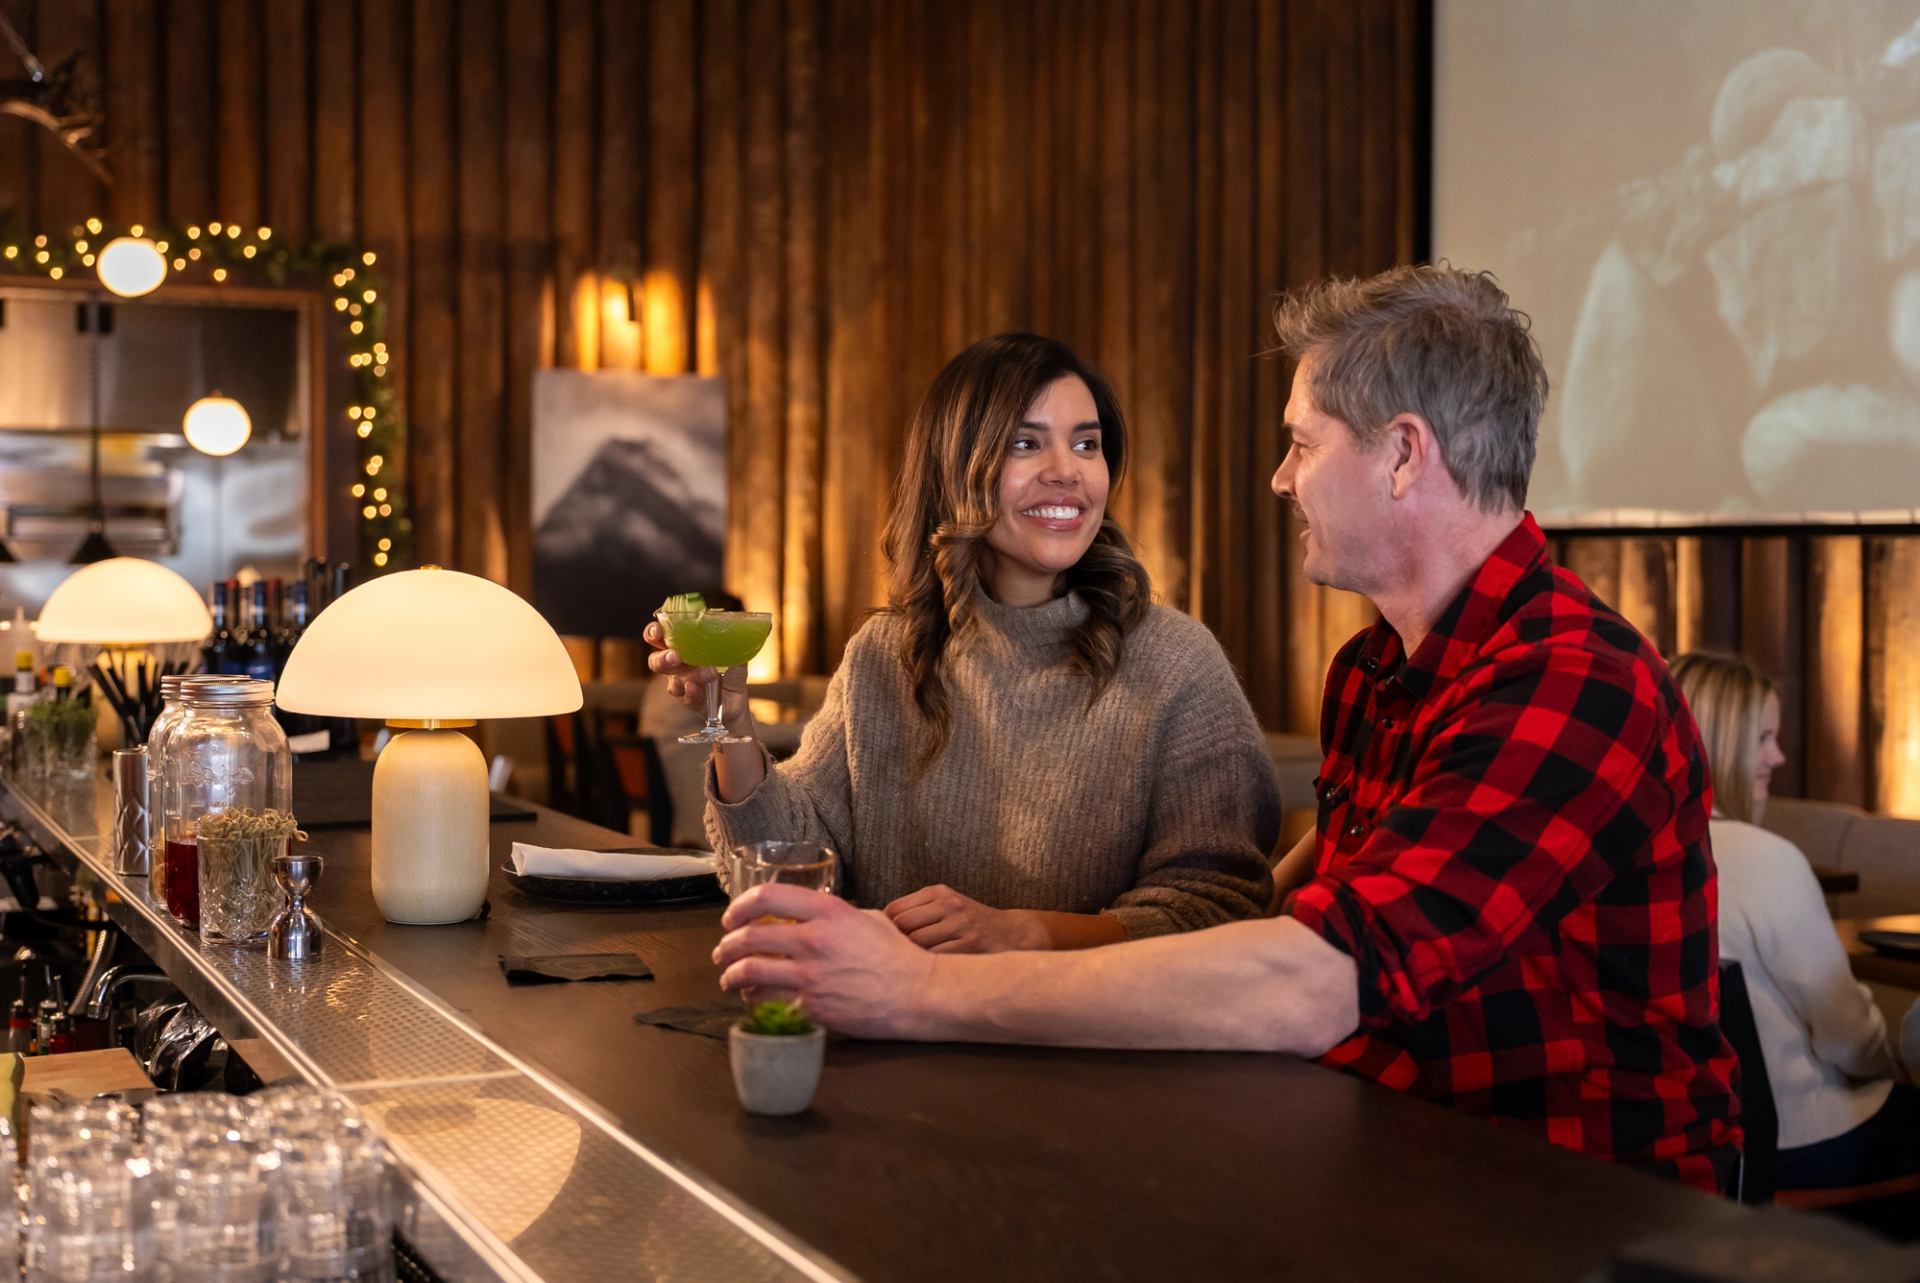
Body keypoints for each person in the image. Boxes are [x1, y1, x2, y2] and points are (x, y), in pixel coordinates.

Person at [713, 266, 1742, 1192]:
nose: (1281, 478)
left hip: (1561, 1204)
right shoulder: (1381, 669)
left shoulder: (1568, 679)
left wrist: (928, 986)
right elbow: (1282, 911)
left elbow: (1308, 977)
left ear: (1402, 455)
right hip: (1382, 1153)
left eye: (1301, 442)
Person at [648, 333, 1278, 951]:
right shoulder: (884, 655)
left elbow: (1215, 908)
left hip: (1083, 1050)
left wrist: (1029, 933)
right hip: (889, 1037)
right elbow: (789, 874)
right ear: (954, 470)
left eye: (1087, 444)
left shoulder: (1177, 663)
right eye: (1025, 443)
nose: (1068, 471)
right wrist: (728, 720)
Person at [1670, 651, 1920, 1230]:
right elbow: (1848, 1038)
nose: (1777, 757)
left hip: (1686, 1142)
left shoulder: (1626, 849)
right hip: (1793, 1144)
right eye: (1762, 737)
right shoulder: (1766, 859)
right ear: (1719, 742)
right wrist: (1898, 1062)